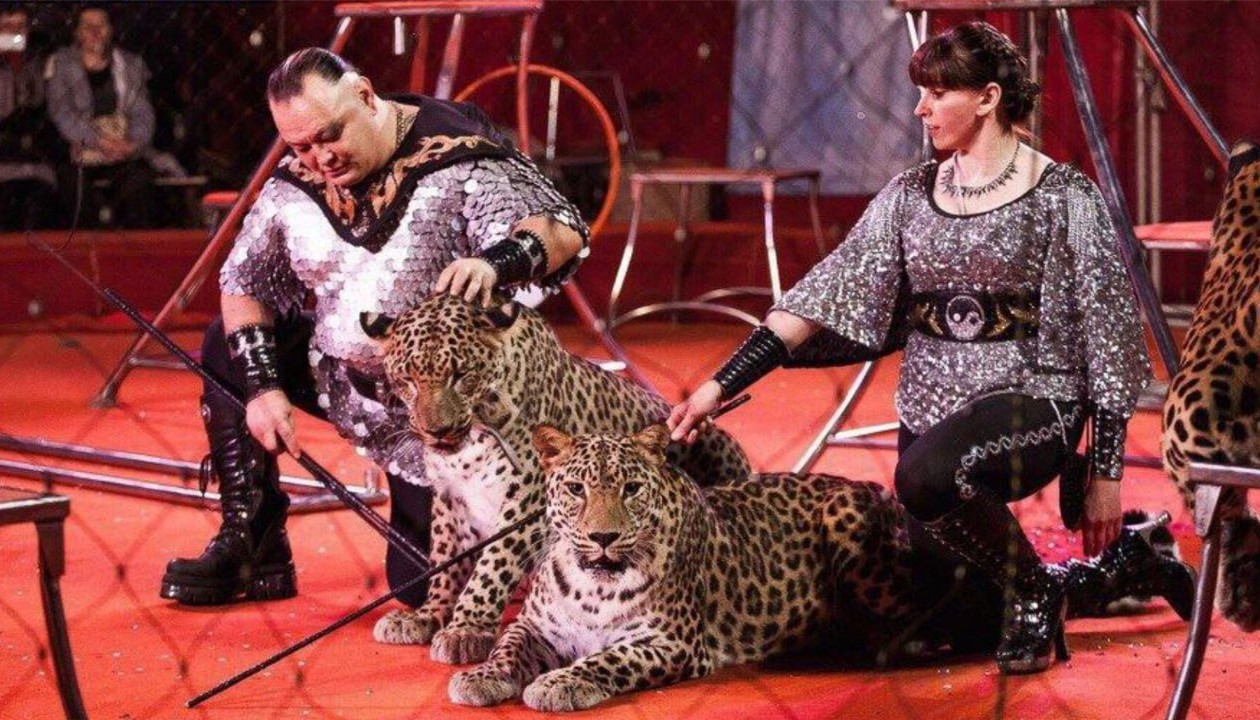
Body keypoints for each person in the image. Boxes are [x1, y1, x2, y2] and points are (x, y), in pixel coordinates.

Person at [669, 22, 1152, 674]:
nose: (920, 108)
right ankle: (1127, 566)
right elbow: (818, 298)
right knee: (967, 624)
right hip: (930, 410)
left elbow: (1111, 339)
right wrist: (716, 386)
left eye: (937, 93)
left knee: (925, 478)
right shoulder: (907, 196)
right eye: (920, 92)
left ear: (987, 98)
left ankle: (1036, 590)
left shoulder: (1065, 196)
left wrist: (1107, 476)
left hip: (1035, 400)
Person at [158, 48, 588, 607]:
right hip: (347, 377)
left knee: (421, 588)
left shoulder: (454, 149)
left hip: (451, 407)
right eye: (301, 146)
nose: (320, 158)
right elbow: (244, 282)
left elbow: (562, 230)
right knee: (228, 342)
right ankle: (252, 539)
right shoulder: (301, 172)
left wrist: (493, 264)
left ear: (364, 96)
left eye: (329, 135)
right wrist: (262, 389)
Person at [45, 5, 181, 227]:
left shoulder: (131, 65)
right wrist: (98, 141)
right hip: (80, 150)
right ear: (77, 33)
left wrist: (132, 143)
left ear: (110, 30)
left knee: (141, 182)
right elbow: (61, 113)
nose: (95, 31)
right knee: (69, 185)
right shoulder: (61, 64)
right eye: (87, 26)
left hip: (123, 148)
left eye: (101, 25)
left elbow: (143, 112)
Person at [0, 4, 57, 229]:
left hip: (34, 162)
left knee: (37, 200)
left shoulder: (38, 63)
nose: (15, 33)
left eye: (20, 27)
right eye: (7, 27)